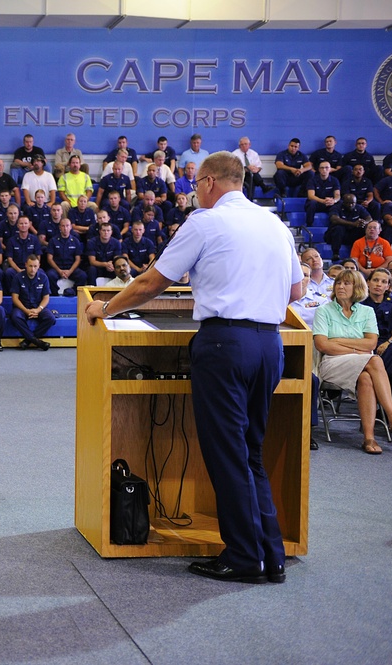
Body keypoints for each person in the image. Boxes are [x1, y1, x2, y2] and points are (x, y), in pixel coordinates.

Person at [85, 151, 303, 585]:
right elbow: (296, 290)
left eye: (195, 186)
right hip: (270, 343)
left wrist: (104, 307)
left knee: (227, 455)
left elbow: (152, 281)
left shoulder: (205, 222)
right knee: (250, 452)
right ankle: (270, 555)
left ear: (207, 183)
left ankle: (243, 557)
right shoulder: (276, 224)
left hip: (226, 345)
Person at [313, 268, 392, 454]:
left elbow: (371, 342)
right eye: (338, 283)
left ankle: (368, 438)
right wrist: (358, 348)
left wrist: (337, 340)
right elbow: (323, 345)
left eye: (346, 283)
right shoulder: (323, 311)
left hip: (361, 361)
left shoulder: (366, 312)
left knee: (366, 378)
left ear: (356, 288)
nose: (340, 286)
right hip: (332, 363)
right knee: (375, 361)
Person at [10, 254, 54, 350]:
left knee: (50, 318)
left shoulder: (43, 277)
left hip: (38, 307)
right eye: (30, 266)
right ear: (26, 265)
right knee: (15, 316)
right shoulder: (18, 277)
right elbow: (15, 298)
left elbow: (46, 297)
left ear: (39, 266)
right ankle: (36, 341)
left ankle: (28, 340)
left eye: (35, 266)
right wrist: (26, 311)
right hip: (22, 308)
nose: (33, 269)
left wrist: (38, 310)